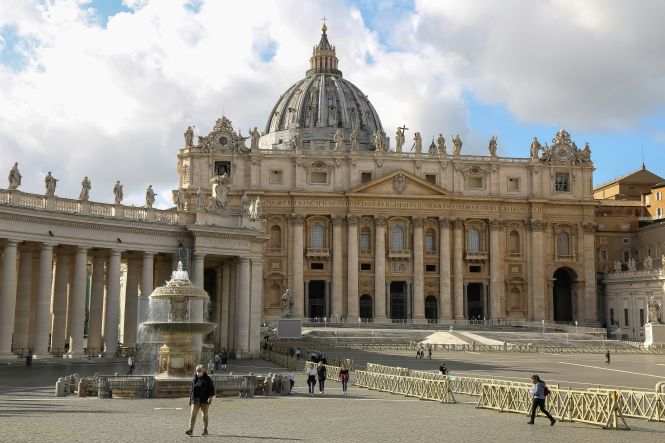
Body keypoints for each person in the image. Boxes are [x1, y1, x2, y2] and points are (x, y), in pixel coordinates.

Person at [186, 365, 215, 436]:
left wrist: (210, 397)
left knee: (204, 416)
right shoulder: (195, 378)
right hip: (195, 400)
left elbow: (212, 389)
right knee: (193, 415)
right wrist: (190, 399)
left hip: (204, 400)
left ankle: (205, 429)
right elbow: (192, 390)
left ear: (203, 370)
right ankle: (190, 430)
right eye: (197, 371)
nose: (198, 372)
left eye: (199, 371)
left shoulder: (207, 379)